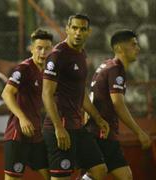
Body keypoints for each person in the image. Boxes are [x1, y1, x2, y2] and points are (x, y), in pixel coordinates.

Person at [42, 14, 110, 180]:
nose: (78, 32)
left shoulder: (81, 55)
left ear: (89, 32)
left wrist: (97, 117)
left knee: (99, 170)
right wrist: (58, 128)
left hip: (77, 126)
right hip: (60, 126)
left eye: (82, 29)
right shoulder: (57, 55)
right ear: (67, 29)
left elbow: (81, 92)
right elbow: (46, 94)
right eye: (74, 28)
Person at [85, 29, 151, 179]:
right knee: (96, 174)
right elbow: (118, 104)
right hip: (100, 132)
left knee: (125, 176)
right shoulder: (116, 69)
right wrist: (139, 132)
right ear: (120, 48)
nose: (138, 48)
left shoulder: (108, 65)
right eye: (133, 44)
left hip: (101, 131)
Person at [2, 28, 53, 180]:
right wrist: (22, 118)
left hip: (36, 135)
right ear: (32, 48)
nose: (43, 52)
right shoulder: (24, 68)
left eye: (47, 48)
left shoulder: (47, 73)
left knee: (54, 176)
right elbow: (6, 93)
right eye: (39, 48)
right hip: (18, 134)